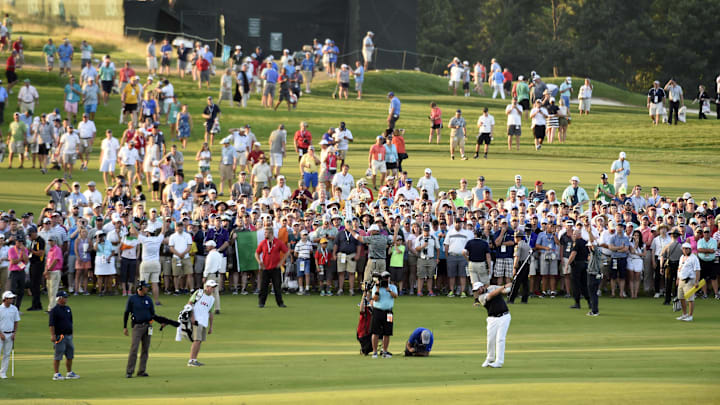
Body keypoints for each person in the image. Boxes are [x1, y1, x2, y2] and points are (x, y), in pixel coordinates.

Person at [472, 281, 512, 368]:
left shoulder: (492, 287)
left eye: (478, 289)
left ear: (482, 287)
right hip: (492, 319)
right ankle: (490, 358)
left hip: (504, 316)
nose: (477, 292)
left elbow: (504, 291)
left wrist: (510, 286)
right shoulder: (481, 298)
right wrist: (503, 286)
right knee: (490, 340)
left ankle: (499, 361)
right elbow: (492, 295)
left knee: (500, 339)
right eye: (476, 290)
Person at [123, 280, 155, 378]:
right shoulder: (132, 299)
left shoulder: (148, 299)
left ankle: (141, 370)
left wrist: (152, 322)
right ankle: (129, 371)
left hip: (147, 326)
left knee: (145, 349)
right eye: (145, 287)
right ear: (140, 288)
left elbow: (152, 313)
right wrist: (125, 327)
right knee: (134, 349)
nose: (147, 288)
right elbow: (126, 313)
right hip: (137, 326)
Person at [254, 227, 289, 308]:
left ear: (271, 233)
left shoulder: (278, 242)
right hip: (265, 268)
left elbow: (286, 252)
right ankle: (261, 303)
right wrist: (259, 262)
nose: (264, 234)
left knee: (277, 286)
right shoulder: (263, 243)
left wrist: (281, 262)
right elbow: (256, 253)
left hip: (275, 268)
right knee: (264, 287)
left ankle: (280, 303)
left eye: (266, 233)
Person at [49, 291, 79, 380]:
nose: (66, 299)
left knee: (70, 354)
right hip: (60, 336)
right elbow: (51, 324)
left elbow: (70, 322)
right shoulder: (54, 310)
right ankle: (56, 374)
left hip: (68, 335)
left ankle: (69, 372)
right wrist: (53, 335)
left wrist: (72, 333)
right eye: (64, 297)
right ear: (59, 298)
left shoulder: (68, 309)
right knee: (58, 354)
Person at [187, 279, 217, 367]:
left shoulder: (212, 299)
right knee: (196, 340)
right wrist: (192, 317)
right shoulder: (199, 293)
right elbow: (190, 304)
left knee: (199, 341)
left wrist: (211, 326)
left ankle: (194, 359)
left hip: (204, 322)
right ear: (207, 287)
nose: (213, 289)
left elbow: (210, 313)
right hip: (196, 321)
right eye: (212, 287)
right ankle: (191, 360)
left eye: (214, 287)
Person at [370, 271, 397, 358]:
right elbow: (375, 299)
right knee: (375, 332)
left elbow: (395, 296)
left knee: (387, 332)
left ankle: (384, 351)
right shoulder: (376, 287)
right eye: (385, 277)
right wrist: (378, 289)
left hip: (388, 312)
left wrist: (389, 290)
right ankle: (375, 352)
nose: (386, 279)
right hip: (378, 311)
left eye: (387, 277)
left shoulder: (392, 287)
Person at [676, 242, 700, 321]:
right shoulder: (681, 257)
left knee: (690, 299)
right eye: (683, 249)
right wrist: (677, 278)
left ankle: (690, 315)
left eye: (686, 248)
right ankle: (684, 314)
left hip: (689, 280)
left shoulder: (694, 258)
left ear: (690, 249)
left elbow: (697, 270)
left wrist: (696, 281)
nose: (685, 250)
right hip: (681, 280)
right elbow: (679, 268)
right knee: (681, 298)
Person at [0, 290, 19, 379]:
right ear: (5, 299)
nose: (12, 300)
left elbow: (16, 322)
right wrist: (0, 334)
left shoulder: (14, 309)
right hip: (1, 334)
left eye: (12, 298)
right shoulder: (0, 309)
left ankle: (3, 373)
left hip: (10, 335)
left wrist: (14, 333)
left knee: (7, 354)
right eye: (10, 298)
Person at [202, 240, 222, 314]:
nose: (206, 247)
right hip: (217, 274)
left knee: (207, 292)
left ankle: (206, 308)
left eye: (207, 246)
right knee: (216, 292)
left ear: (211, 246)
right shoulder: (218, 254)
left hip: (211, 275)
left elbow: (208, 266)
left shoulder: (210, 255)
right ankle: (217, 308)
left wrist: (204, 276)